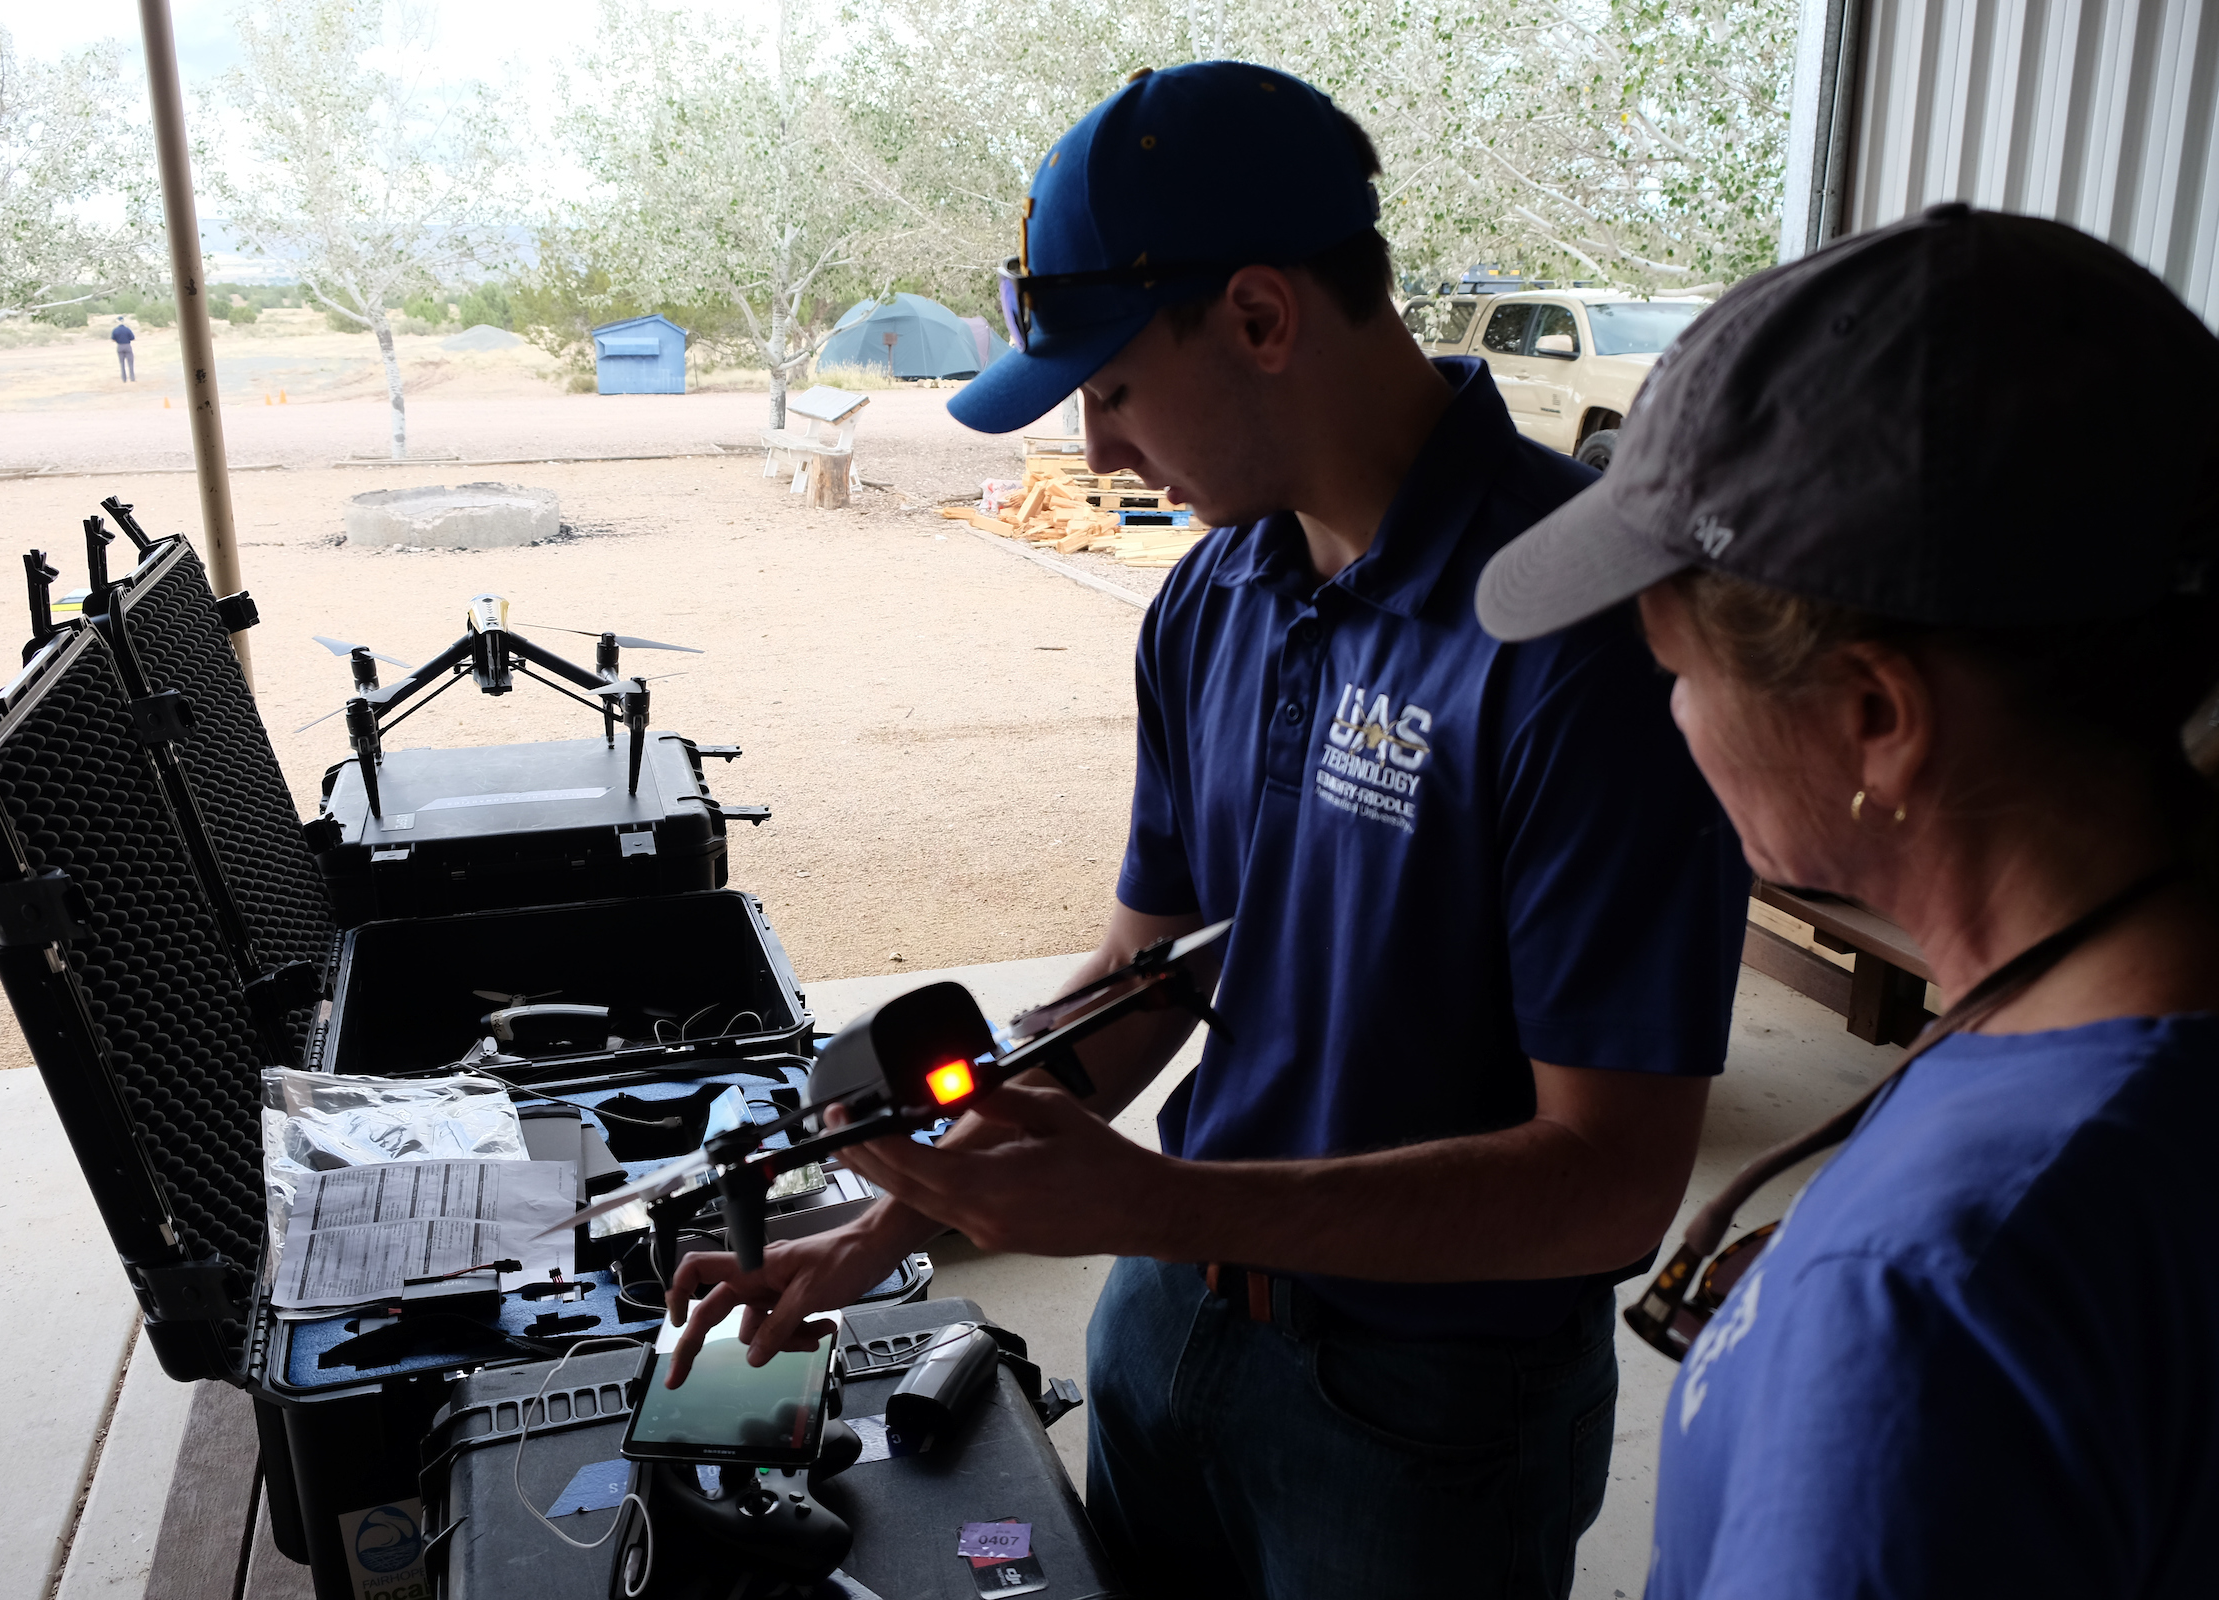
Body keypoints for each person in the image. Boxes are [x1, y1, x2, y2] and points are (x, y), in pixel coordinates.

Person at [664, 62, 1750, 1598]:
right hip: (1169, 1325)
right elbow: (1144, 973)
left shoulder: (1577, 638)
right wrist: (878, 1217)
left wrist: (1153, 1201)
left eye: (1109, 388)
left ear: (1258, 317)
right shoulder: (1212, 597)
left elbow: (1612, 1184)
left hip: (1423, 1413)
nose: (1098, 453)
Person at [1472, 203, 2219, 1596]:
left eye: (1679, 671)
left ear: (1876, 715)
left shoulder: (1927, 1299)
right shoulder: (2115, 1038)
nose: (1674, 720)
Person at [111, 315, 135, 381]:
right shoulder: (127, 329)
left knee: (122, 363)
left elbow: (113, 339)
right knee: (130, 363)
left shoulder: (115, 330)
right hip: (127, 345)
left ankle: (124, 379)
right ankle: (132, 378)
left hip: (120, 346)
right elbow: (133, 338)